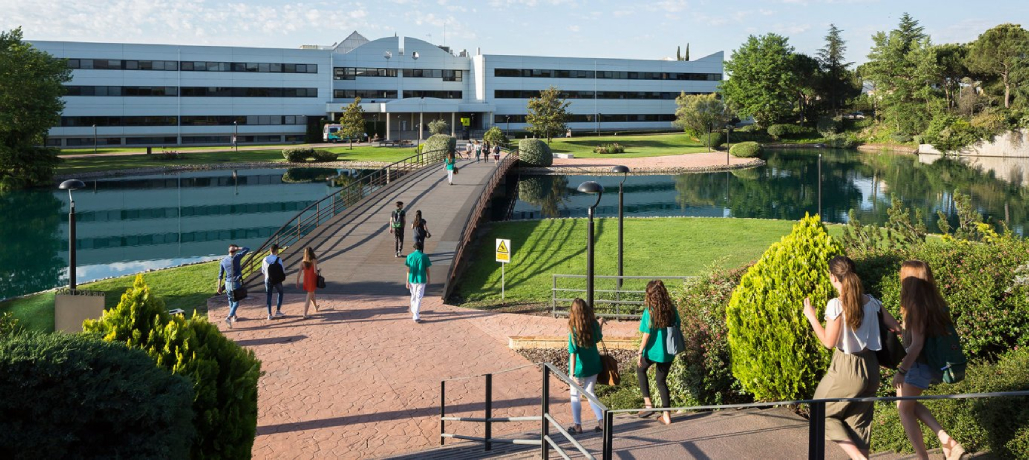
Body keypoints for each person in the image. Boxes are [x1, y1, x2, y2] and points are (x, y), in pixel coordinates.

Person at [803, 255, 890, 460]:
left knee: (820, 412)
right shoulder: (872, 302)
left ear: (833, 277)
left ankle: (859, 459)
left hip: (847, 369)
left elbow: (829, 342)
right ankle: (862, 457)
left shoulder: (836, 304)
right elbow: (895, 328)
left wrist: (811, 317)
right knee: (859, 424)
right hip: (871, 367)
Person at [893, 261, 965, 460]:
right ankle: (946, 441)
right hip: (930, 364)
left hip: (917, 365)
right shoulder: (934, 303)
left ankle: (924, 456)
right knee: (908, 405)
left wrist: (901, 371)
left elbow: (917, 344)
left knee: (904, 410)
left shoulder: (915, 306)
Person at [635, 279, 680, 425]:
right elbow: (678, 325)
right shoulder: (671, 310)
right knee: (661, 382)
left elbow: (646, 334)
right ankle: (666, 415)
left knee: (640, 369)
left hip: (652, 352)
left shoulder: (649, 312)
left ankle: (648, 405)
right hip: (668, 351)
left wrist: (640, 352)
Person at [567, 298, 606, 434]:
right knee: (590, 393)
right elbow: (598, 338)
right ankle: (601, 422)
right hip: (594, 364)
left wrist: (572, 374)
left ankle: (577, 425)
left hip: (579, 368)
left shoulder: (573, 329)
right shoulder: (593, 324)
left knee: (574, 395)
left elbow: (573, 353)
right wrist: (600, 324)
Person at [217, 244, 250, 329]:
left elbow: (220, 275)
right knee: (236, 301)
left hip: (227, 283)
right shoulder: (237, 257)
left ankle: (234, 316)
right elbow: (247, 249)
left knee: (230, 299)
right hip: (235, 282)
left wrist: (219, 286)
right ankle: (229, 317)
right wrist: (238, 248)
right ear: (235, 250)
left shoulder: (223, 261)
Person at [404, 242, 432, 323]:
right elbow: (427, 269)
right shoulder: (424, 256)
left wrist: (407, 280)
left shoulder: (409, 256)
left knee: (413, 295)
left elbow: (408, 269)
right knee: (419, 296)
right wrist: (429, 278)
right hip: (421, 279)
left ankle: (414, 310)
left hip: (412, 279)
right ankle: (416, 315)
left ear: (414, 248)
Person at [261, 244, 287, 320]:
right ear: (276, 251)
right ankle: (278, 310)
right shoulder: (278, 259)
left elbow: (263, 270)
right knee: (280, 292)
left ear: (270, 250)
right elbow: (282, 270)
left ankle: (269, 314)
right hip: (277, 279)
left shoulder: (265, 259)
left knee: (269, 295)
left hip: (268, 279)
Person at [294, 247, 320, 318]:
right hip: (312, 280)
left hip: (306, 280)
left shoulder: (303, 262)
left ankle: (316, 307)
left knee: (312, 294)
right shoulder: (314, 260)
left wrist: (297, 281)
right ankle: (305, 314)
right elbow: (315, 271)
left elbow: (299, 272)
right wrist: (319, 271)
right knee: (309, 296)